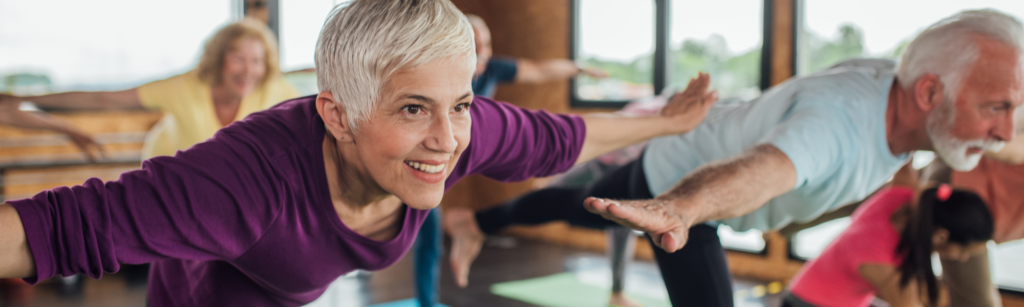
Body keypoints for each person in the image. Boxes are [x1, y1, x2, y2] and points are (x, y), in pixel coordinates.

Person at [0, 1, 717, 306]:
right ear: (337, 114)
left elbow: (566, 134)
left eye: (460, 104)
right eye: (412, 109)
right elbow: (47, 230)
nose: (446, 139)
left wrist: (665, 123)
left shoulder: (460, 128)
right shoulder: (243, 178)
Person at [450, 10, 1023, 306]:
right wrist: (683, 207)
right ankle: (473, 221)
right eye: (997, 107)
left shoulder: (899, 96)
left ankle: (473, 221)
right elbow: (768, 167)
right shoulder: (841, 124)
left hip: (684, 170)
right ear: (929, 93)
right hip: (681, 192)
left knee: (573, 203)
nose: (1005, 131)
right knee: (575, 204)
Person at [411, 13, 609, 307]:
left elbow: (538, 70)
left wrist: (577, 68)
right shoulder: (437, 73)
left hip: (445, 169)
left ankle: (427, 301)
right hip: (419, 163)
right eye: (473, 44)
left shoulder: (492, 69)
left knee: (428, 236)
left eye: (486, 44)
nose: (482, 52)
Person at [0, 18, 300, 160]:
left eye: (258, 61)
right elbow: (104, 99)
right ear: (219, 59)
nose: (249, 70)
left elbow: (311, 118)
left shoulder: (276, 89)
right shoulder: (185, 86)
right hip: (169, 170)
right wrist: (27, 97)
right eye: (239, 59)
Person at [785, 185, 993, 307]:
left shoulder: (902, 197)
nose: (963, 258)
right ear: (940, 236)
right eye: (963, 251)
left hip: (812, 290)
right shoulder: (883, 264)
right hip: (808, 303)